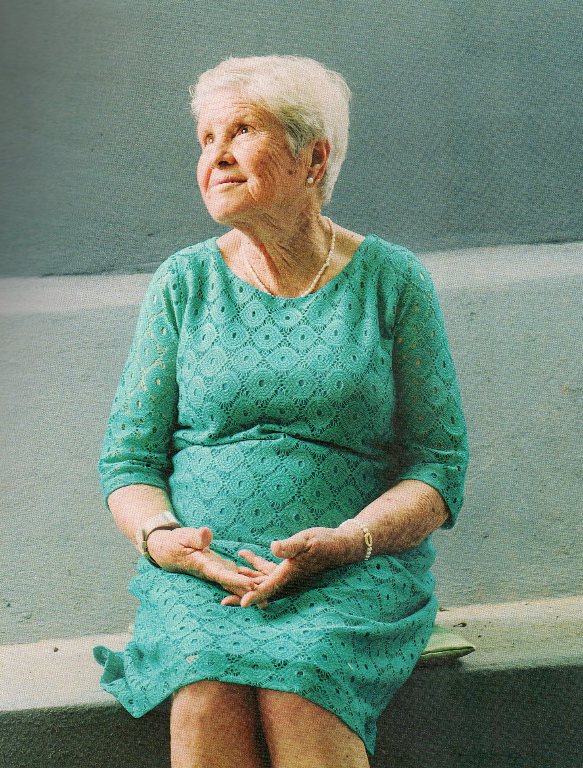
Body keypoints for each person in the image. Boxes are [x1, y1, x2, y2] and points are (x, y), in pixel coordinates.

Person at [94, 55, 469, 768]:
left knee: (303, 682)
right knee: (205, 684)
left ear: (313, 158)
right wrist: (163, 539)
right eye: (206, 139)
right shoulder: (184, 283)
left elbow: (437, 467)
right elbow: (128, 461)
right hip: (206, 572)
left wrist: (348, 541)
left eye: (241, 131)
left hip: (351, 570)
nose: (216, 156)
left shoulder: (392, 281)